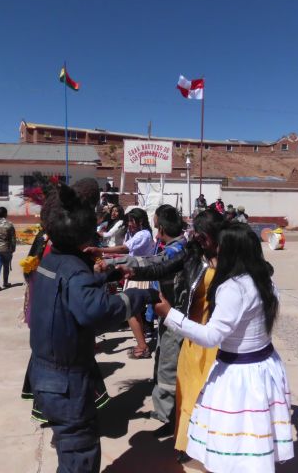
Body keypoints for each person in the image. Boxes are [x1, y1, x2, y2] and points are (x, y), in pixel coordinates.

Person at [27, 181, 160, 473]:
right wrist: (139, 296)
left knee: (69, 449)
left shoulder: (52, 261)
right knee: (80, 456)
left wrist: (108, 275)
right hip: (66, 383)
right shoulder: (75, 270)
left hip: (45, 374)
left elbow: (74, 288)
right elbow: (97, 311)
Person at [154, 223, 292, 472]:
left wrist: (170, 315)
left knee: (233, 441)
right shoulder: (265, 282)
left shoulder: (234, 287)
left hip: (238, 376)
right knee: (253, 437)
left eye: (220, 246)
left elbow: (211, 336)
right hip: (264, 368)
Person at [122, 209, 225, 461]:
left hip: (213, 334)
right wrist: (128, 271)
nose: (199, 241)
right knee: (186, 386)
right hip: (189, 326)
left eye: (203, 237)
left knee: (207, 391)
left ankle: (202, 441)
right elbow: (162, 266)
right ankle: (182, 438)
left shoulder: (232, 258)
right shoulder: (193, 253)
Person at [104, 204, 187, 435]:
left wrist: (112, 263)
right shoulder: (175, 245)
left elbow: (154, 263)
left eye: (157, 223)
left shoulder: (178, 249)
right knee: (164, 360)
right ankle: (168, 413)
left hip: (176, 317)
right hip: (169, 316)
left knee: (169, 367)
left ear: (161, 225)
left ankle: (172, 420)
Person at [86, 208, 155, 359]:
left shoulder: (144, 234)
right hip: (133, 271)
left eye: (132, 221)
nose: (129, 224)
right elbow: (126, 252)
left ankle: (143, 346)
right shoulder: (135, 233)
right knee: (134, 311)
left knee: (133, 310)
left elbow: (125, 249)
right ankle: (142, 343)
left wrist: (100, 250)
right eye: (128, 221)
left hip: (140, 272)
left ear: (141, 221)